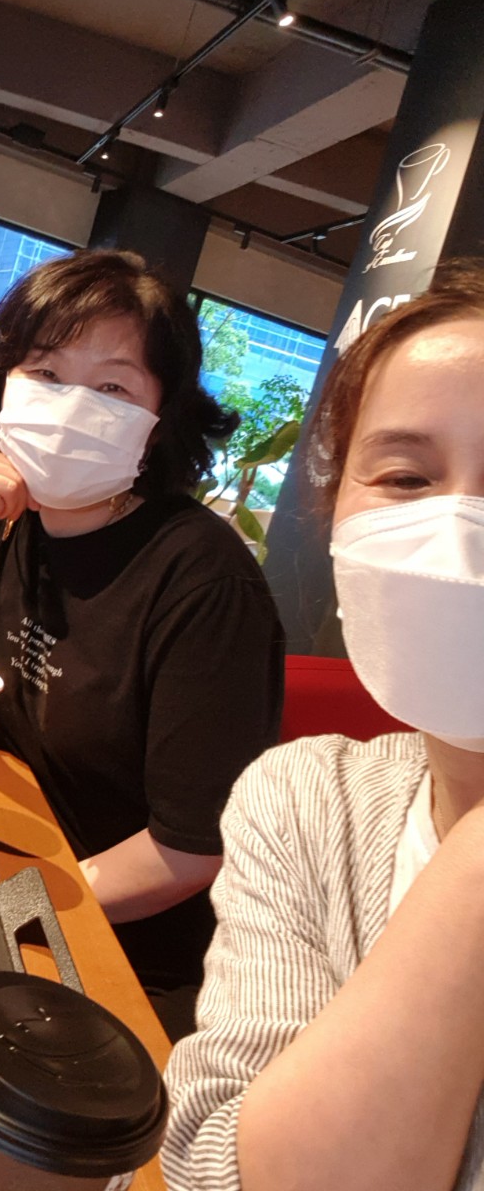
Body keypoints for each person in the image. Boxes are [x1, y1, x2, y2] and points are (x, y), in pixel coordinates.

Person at [0, 250, 284, 1030]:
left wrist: (6, 901)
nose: (71, 407)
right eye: (46, 373)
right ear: (4, 382)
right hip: (1, 861)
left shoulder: (205, 583)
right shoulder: (9, 517)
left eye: (112, 388)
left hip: (126, 954)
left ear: (159, 420)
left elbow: (188, 850)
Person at [162, 260, 484, 1191]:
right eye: (408, 477)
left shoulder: (198, 576)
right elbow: (212, 1165)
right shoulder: (310, 800)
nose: (457, 528)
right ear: (336, 510)